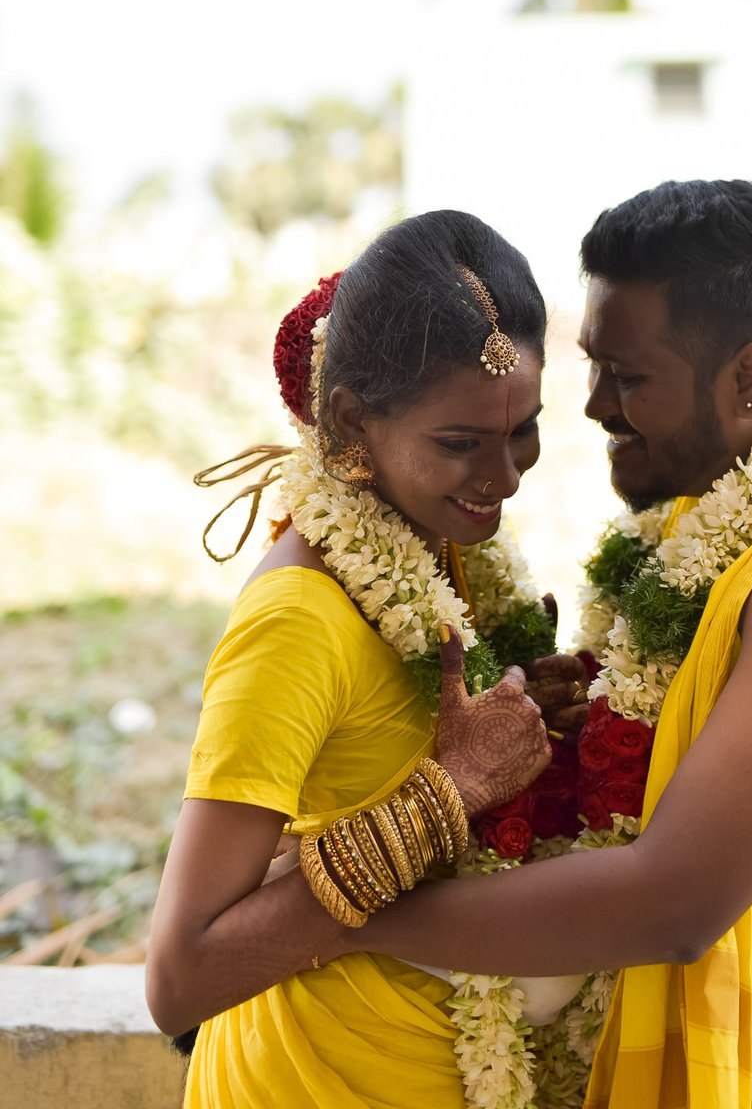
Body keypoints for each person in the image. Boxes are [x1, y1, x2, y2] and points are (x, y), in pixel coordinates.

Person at [300, 179, 752, 1109]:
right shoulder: (716, 538)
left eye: (627, 378)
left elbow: (670, 904)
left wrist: (344, 920)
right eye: (592, 366)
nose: (591, 407)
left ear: (748, 381)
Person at [147, 209, 577, 1107]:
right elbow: (178, 979)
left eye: (523, 431)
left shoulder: (435, 545)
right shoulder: (297, 618)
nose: (502, 479)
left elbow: (384, 737)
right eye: (460, 444)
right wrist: (445, 797)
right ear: (351, 423)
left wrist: (523, 711)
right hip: (316, 1079)